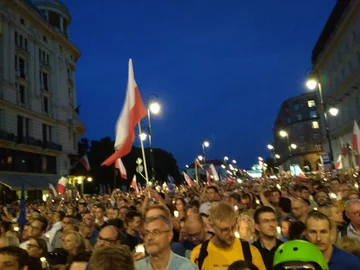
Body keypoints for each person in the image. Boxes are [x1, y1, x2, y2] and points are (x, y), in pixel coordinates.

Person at [191, 202, 266, 270]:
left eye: (233, 227)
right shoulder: (199, 253)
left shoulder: (250, 251)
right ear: (212, 226)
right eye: (225, 230)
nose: (231, 233)